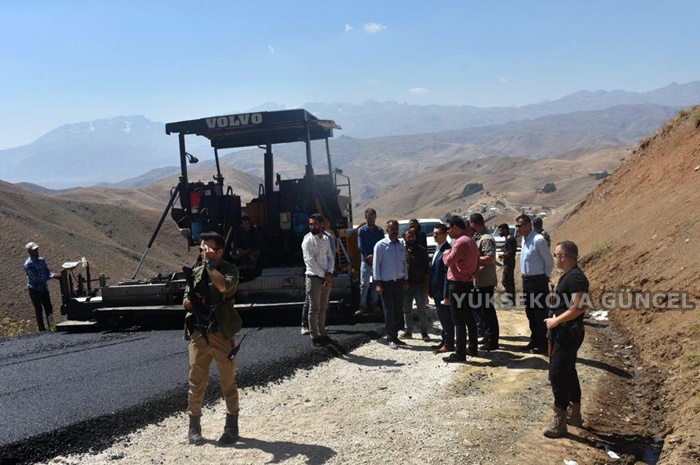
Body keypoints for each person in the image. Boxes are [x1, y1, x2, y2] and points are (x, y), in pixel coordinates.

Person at [183, 231, 242, 446]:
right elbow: (185, 302)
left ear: (220, 252)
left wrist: (209, 265)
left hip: (221, 333)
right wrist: (193, 301)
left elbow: (224, 286)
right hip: (199, 333)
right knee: (196, 381)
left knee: (228, 382)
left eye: (208, 249)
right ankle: (194, 427)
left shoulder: (230, 270)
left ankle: (231, 427)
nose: (203, 253)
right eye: (202, 249)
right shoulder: (196, 272)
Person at [542, 240, 589, 438]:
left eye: (555, 255)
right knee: (568, 371)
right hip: (563, 331)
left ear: (564, 257)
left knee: (558, 374)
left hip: (568, 333)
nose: (554, 258)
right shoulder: (567, 276)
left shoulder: (576, 278)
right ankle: (574, 414)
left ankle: (559, 421)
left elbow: (580, 307)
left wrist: (556, 321)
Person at [441, 216, 480, 363]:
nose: (448, 231)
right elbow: (477, 262)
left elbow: (448, 261)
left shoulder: (461, 242)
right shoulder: (471, 240)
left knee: (458, 320)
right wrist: (473, 273)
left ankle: (460, 353)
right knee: (469, 317)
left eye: (449, 228)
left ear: (456, 227)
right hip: (467, 283)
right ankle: (473, 347)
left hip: (458, 285)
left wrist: (446, 252)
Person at [516, 214, 554, 354]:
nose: (517, 228)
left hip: (538, 282)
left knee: (540, 314)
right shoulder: (525, 240)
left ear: (528, 225)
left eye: (519, 226)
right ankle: (535, 340)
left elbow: (549, 261)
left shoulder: (538, 240)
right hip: (527, 281)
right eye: (517, 226)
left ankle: (543, 344)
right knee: (530, 313)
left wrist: (544, 275)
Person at [373, 220, 409, 350]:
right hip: (386, 284)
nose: (394, 231)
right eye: (392, 229)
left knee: (398, 311)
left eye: (396, 229)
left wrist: (405, 279)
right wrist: (378, 284)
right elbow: (376, 265)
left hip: (399, 282)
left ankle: (395, 336)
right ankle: (390, 338)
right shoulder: (380, 245)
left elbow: (404, 263)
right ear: (387, 230)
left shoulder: (401, 245)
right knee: (389, 312)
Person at [301, 213, 334, 346]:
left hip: (326, 277)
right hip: (314, 277)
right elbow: (310, 262)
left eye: (315, 224)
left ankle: (322, 332)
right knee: (314, 308)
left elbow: (330, 257)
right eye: (310, 224)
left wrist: (330, 272)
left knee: (323, 307)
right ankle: (314, 335)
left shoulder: (326, 239)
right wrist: (324, 275)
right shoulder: (307, 241)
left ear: (321, 224)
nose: (312, 226)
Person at [469, 213, 499, 351]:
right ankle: (488, 335)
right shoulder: (479, 237)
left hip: (486, 281)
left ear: (473, 223)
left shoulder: (486, 238)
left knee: (488, 312)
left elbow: (489, 258)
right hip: (480, 280)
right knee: (482, 311)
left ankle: (493, 340)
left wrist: (472, 259)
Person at [400, 228, 430, 342]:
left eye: (413, 236)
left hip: (419, 285)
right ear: (404, 238)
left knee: (422, 310)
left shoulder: (422, 251)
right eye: (408, 237)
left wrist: (426, 289)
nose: (411, 239)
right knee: (407, 310)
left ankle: (424, 332)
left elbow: (426, 271)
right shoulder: (401, 251)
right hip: (406, 286)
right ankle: (408, 331)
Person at [23, 242, 60, 332]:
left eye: (36, 249)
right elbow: (35, 278)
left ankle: (52, 327)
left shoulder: (42, 260)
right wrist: (50, 277)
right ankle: (42, 330)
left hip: (43, 288)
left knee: (49, 308)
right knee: (38, 309)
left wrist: (53, 275)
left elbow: (47, 271)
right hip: (34, 289)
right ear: (29, 252)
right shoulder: (28, 264)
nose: (36, 251)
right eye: (34, 250)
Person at [429, 224, 454, 353]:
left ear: (445, 235)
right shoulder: (438, 249)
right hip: (436, 291)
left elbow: (447, 276)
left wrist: (446, 295)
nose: (435, 236)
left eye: (438, 233)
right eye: (434, 233)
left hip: (443, 292)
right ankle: (445, 341)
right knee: (442, 318)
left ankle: (449, 343)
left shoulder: (447, 250)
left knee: (446, 318)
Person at [355, 208, 385, 316]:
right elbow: (360, 245)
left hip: (377, 260)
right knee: (364, 283)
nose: (370, 219)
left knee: (376, 282)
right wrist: (368, 256)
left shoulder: (380, 231)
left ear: (375, 217)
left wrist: (375, 256)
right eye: (368, 217)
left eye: (372, 217)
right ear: (365, 217)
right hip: (365, 260)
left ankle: (374, 303)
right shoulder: (361, 231)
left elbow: (382, 244)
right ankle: (362, 305)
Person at [498, 223, 517, 306]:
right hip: (508, 262)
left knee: (505, 281)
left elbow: (511, 253)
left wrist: (503, 255)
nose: (499, 232)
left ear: (505, 230)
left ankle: (510, 299)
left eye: (500, 230)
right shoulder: (508, 238)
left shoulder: (510, 238)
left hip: (509, 263)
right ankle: (511, 300)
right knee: (510, 281)